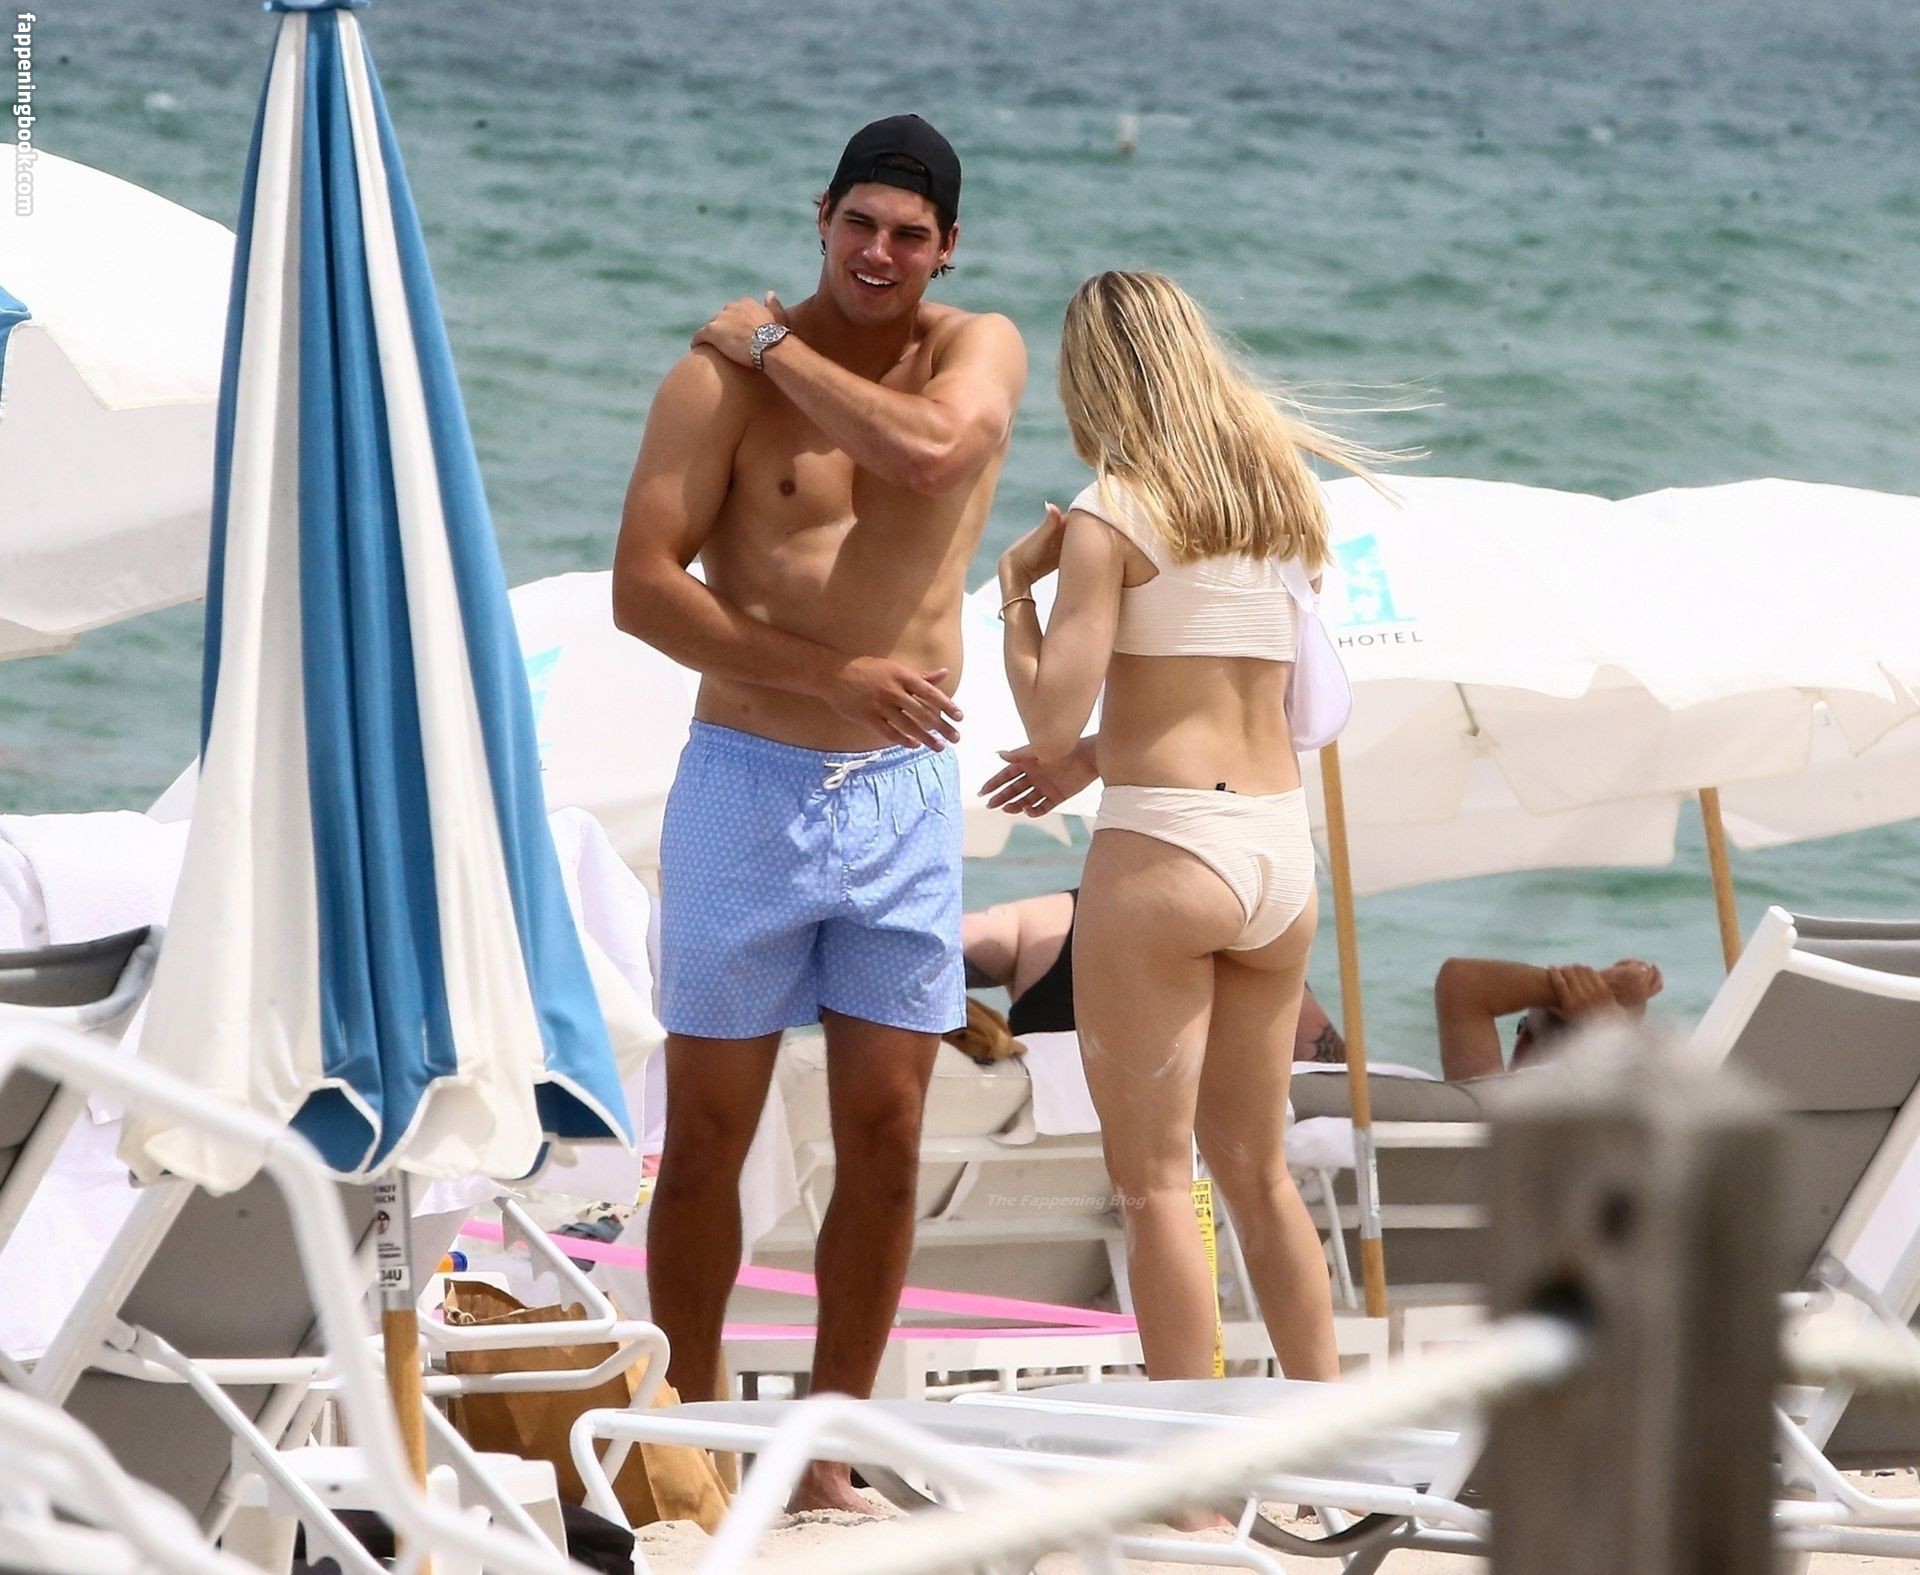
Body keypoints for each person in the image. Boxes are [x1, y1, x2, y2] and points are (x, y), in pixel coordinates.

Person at [611, 114, 1026, 1513]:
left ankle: (826, 1451)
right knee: (707, 1141)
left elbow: (932, 457)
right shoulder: (712, 385)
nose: (880, 252)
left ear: (948, 247)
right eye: (859, 223)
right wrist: (828, 675)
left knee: (892, 1135)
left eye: (910, 234)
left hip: (901, 801)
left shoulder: (973, 350)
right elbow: (642, 588)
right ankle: (690, 1443)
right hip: (748, 782)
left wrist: (780, 345)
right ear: (822, 218)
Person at [992, 271, 1391, 1382]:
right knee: (1258, 1176)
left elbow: (1049, 713)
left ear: (1090, 379)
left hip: (1167, 851)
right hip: (1276, 856)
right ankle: (1329, 1435)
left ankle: (1197, 1463)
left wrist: (1015, 589)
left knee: (1157, 1183)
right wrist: (1093, 755)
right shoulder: (1279, 509)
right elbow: (1225, 684)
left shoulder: (1110, 513)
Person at [962, 889, 1347, 1061]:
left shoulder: (1041, 922)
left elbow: (931, 949)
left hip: (1036, 1165)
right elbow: (1322, 1074)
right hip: (1197, 1176)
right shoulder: (1238, 942)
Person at [1435, 955, 1663, 1080]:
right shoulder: (1632, 1133)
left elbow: (1461, 982)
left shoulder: (1482, 1114)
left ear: (1524, 1045)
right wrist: (1615, 1021)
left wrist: (1605, 985)